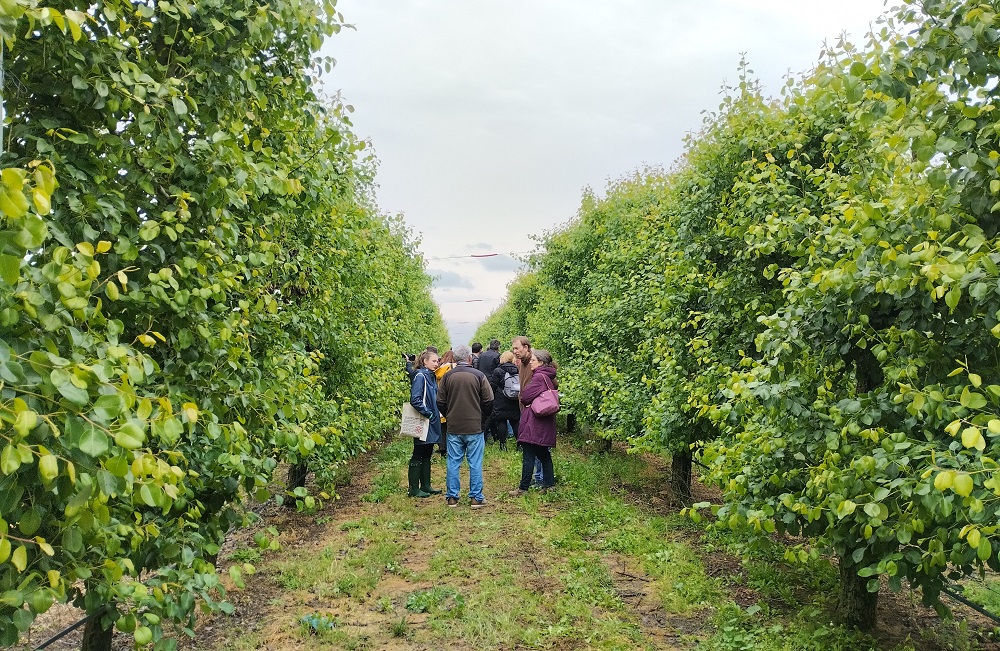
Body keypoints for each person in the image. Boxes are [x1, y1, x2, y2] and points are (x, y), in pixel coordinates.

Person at [437, 344, 494, 508]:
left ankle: (452, 497)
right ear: (469, 358)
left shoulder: (447, 377)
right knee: (475, 462)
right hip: (474, 426)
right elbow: (489, 400)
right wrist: (482, 417)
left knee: (453, 462)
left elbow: (440, 401)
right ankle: (476, 497)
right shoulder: (479, 376)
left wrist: (449, 415)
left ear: (455, 358)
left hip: (454, 427)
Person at [514, 349, 558, 495]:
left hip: (534, 422)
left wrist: (528, 400)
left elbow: (525, 397)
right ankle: (549, 485)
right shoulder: (548, 376)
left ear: (541, 362)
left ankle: (523, 488)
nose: (530, 363)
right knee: (544, 454)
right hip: (544, 422)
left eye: (533, 360)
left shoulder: (539, 377)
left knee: (528, 454)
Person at [407, 351, 443, 497]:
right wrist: (428, 413)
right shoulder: (420, 376)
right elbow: (415, 399)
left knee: (427, 451)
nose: (437, 363)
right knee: (419, 451)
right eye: (433, 361)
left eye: (437, 361)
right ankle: (413, 489)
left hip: (431, 420)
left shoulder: (430, 376)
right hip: (423, 420)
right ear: (424, 362)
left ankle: (426, 485)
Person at [488, 351, 520, 450]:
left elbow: (492, 385)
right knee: (515, 422)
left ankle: (503, 445)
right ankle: (520, 445)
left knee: (502, 421)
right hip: (514, 398)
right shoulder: (517, 369)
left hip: (501, 399)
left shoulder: (498, 370)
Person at [434, 350, 455, 456]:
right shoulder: (454, 369)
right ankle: (452, 448)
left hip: (441, 398)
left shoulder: (438, 370)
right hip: (452, 399)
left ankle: (442, 447)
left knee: (442, 425)